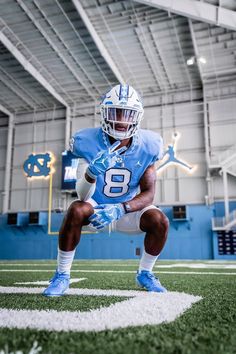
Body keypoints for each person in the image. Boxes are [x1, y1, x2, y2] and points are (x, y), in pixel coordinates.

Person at [43, 84, 169, 296]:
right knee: (75, 209)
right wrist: (92, 172)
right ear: (104, 114)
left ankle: (145, 273)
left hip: (127, 208)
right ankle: (62, 275)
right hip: (96, 203)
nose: (121, 120)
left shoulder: (150, 145)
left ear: (137, 117)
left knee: (160, 220)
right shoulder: (86, 141)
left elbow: (148, 193)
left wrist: (121, 208)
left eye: (128, 114)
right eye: (115, 113)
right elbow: (83, 196)